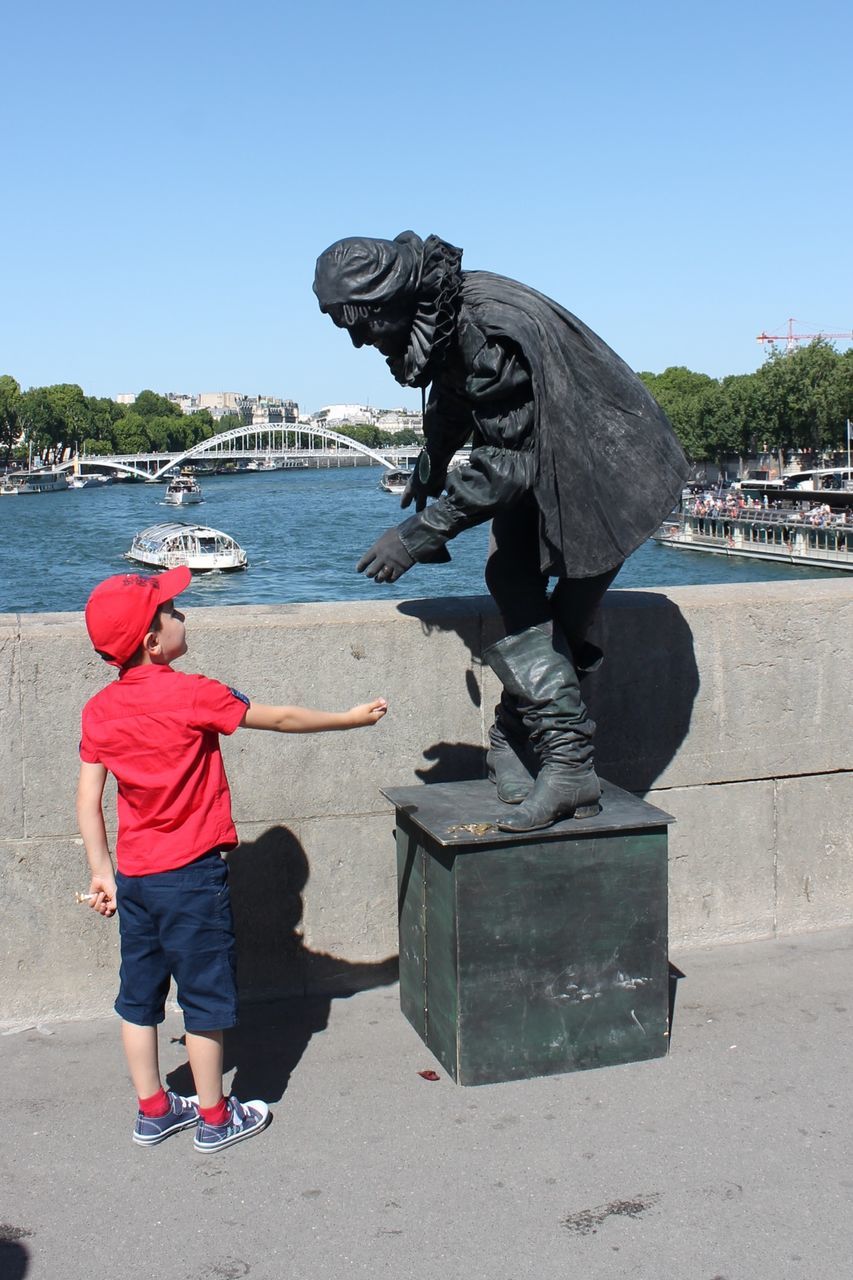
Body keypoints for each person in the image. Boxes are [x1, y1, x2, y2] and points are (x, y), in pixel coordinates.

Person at [313, 231, 688, 832]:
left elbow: (506, 467)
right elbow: (457, 397)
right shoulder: (453, 309)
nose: (360, 340)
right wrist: (431, 464)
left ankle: (563, 765)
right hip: (559, 454)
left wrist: (415, 536)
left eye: (360, 325)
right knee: (527, 595)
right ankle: (518, 748)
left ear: (390, 305)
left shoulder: (483, 329)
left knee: (530, 589)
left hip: (609, 471)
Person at [77, 567, 387, 1152]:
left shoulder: (99, 712)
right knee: (203, 1000)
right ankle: (216, 1119)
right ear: (152, 642)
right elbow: (281, 718)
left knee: (138, 999)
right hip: (191, 876)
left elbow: (88, 799)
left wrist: (101, 871)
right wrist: (348, 718)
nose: (182, 615)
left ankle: (153, 1110)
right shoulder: (194, 692)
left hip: (135, 877)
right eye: (171, 611)